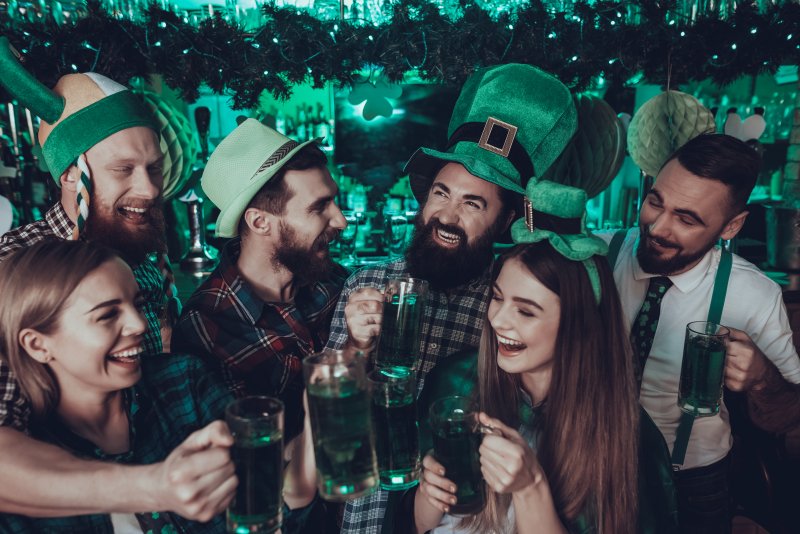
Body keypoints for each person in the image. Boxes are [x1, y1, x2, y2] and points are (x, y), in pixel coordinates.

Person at [329, 64, 579, 533]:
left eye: (472, 204)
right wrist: (355, 350)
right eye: (441, 194)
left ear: (504, 223)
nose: (447, 215)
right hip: (364, 514)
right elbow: (330, 423)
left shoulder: (505, 309)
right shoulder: (368, 284)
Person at [0, 42, 211, 519]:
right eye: (125, 170)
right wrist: (149, 488)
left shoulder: (137, 250)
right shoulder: (13, 270)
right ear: (74, 174)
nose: (151, 189)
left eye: (153, 169)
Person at [411, 179, 677, 534]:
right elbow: (413, 524)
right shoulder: (454, 381)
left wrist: (530, 487)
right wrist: (429, 495)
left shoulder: (631, 438)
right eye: (497, 297)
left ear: (577, 324)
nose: (498, 319)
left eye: (526, 311)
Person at [602, 133, 800, 533]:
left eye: (687, 219)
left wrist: (762, 380)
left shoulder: (755, 295)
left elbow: (789, 418)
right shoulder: (597, 255)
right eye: (655, 200)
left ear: (732, 226)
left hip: (693, 482)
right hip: (592, 464)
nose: (657, 227)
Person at [0, 240, 236, 532]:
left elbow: (264, 502)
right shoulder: (27, 450)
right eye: (107, 315)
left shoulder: (183, 381)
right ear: (38, 345)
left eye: (137, 304)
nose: (139, 324)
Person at [172, 118, 348, 443]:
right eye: (319, 207)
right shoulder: (208, 327)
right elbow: (248, 458)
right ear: (260, 222)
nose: (341, 220)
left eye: (334, 201)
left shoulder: (332, 281)